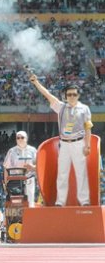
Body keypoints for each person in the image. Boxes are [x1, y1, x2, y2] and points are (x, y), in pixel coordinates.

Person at [30, 74, 92, 206]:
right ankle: (60, 201)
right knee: (62, 173)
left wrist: (88, 145)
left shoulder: (84, 109)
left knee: (81, 172)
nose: (72, 97)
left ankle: (84, 201)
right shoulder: (61, 107)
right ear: (66, 96)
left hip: (79, 143)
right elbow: (47, 95)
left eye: (74, 94)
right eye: (69, 94)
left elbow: (88, 128)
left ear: (78, 95)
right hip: (64, 143)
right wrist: (36, 83)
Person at [3, 131, 37, 207]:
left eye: (22, 137)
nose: (20, 139)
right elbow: (6, 167)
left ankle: (30, 218)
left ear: (26, 138)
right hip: (16, 181)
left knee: (30, 203)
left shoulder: (33, 150)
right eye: (18, 138)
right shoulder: (11, 151)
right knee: (17, 204)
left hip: (29, 179)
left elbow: (39, 165)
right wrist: (5, 184)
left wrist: (33, 167)